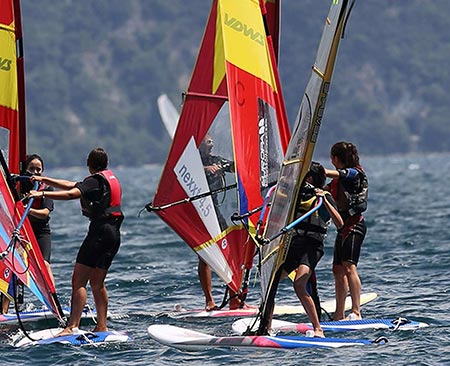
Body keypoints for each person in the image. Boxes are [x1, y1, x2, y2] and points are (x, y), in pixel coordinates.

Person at [29, 147, 123, 335]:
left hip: (99, 233)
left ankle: (72, 326)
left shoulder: (94, 181)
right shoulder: (105, 179)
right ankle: (102, 326)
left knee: (78, 281)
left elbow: (73, 193)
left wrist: (42, 194)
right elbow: (73, 184)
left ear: (89, 164)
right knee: (97, 282)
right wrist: (45, 180)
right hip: (114, 233)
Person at [280, 162, 343, 338]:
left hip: (312, 246)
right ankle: (266, 325)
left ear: (309, 178)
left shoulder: (323, 196)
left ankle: (318, 329)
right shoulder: (297, 195)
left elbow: (340, 224)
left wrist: (323, 199)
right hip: (294, 244)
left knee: (299, 283)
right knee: (272, 282)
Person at [1, 154, 55, 314]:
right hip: (21, 232)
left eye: (39, 169)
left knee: (44, 265)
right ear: (25, 170)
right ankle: (4, 310)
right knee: (13, 267)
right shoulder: (18, 187)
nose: (36, 172)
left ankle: (53, 304)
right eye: (32, 169)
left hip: (40, 232)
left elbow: (45, 213)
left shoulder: (46, 188)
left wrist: (26, 210)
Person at [325, 141, 368, 321]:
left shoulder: (355, 173)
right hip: (342, 228)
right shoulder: (336, 182)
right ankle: (339, 314)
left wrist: (317, 170)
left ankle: (356, 312)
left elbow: (343, 174)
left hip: (355, 225)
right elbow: (322, 189)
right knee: (337, 269)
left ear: (335, 158)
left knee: (349, 267)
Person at [197, 134, 240, 311]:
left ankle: (235, 298)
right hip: (200, 212)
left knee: (229, 252)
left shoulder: (216, 159)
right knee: (205, 256)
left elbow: (234, 167)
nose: (212, 145)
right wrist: (205, 169)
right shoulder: (193, 162)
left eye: (212, 141)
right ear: (199, 145)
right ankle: (209, 301)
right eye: (209, 142)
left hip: (216, 212)